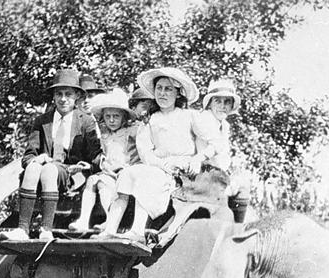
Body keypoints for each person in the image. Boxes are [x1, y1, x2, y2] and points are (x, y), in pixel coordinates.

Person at [97, 66, 222, 241]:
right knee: (128, 173)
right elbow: (145, 152)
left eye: (168, 89)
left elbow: (215, 141)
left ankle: (138, 230)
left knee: (148, 177)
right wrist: (161, 164)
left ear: (178, 93)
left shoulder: (190, 116)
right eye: (159, 88)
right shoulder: (150, 120)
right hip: (156, 165)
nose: (162, 93)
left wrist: (198, 159)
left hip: (181, 171)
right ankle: (111, 227)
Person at [0, 68, 101, 241]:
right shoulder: (42, 121)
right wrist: (37, 158)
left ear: (76, 96)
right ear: (53, 96)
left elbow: (95, 155)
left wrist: (89, 166)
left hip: (70, 174)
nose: (63, 99)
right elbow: (27, 156)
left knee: (50, 170)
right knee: (33, 167)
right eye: (59, 94)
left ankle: (46, 229)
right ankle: (22, 229)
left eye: (68, 94)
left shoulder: (86, 121)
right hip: (42, 173)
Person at [69, 88, 139, 232]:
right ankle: (83, 219)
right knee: (93, 181)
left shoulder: (131, 132)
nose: (112, 120)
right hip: (108, 172)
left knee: (103, 184)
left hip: (124, 174)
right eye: (108, 117)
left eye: (116, 116)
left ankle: (110, 219)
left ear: (124, 117)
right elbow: (103, 154)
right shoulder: (105, 134)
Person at [197, 78, 252, 223]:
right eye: (218, 101)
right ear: (210, 103)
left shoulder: (224, 125)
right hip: (203, 173)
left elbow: (223, 157)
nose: (222, 106)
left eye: (227, 102)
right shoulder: (204, 119)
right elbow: (213, 149)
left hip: (218, 174)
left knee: (243, 185)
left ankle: (237, 227)